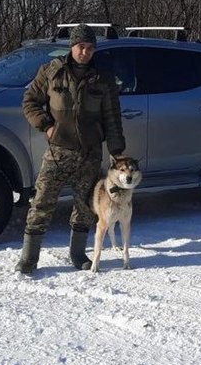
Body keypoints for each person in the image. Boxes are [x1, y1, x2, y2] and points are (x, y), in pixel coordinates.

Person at [15, 24, 125, 274]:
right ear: (72, 47)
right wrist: (46, 126)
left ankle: (78, 253)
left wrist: (117, 151)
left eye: (89, 48)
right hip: (58, 152)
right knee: (42, 202)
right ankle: (29, 258)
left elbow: (112, 117)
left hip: (89, 153)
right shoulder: (51, 72)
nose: (85, 52)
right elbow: (30, 102)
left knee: (85, 206)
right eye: (80, 47)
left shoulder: (102, 78)